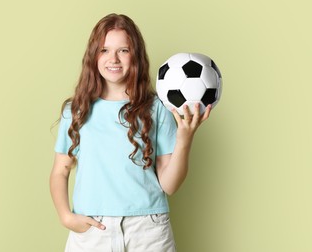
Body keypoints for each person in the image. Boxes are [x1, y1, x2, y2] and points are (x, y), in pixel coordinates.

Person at [49, 13, 211, 252]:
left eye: (123, 50)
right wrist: (66, 216)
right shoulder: (76, 111)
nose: (113, 58)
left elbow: (169, 185)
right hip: (93, 229)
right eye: (104, 50)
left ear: (135, 55)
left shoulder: (157, 109)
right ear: (93, 56)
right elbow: (59, 172)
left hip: (148, 231)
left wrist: (185, 138)